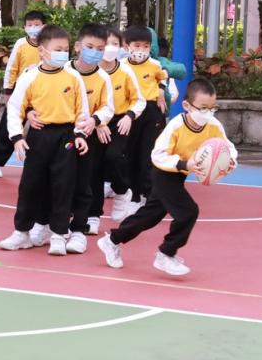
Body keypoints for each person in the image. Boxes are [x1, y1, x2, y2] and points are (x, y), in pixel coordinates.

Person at [98, 77, 238, 277]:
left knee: (150, 216)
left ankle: (111, 240)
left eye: (212, 108)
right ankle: (166, 253)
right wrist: (183, 164)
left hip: (178, 175)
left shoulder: (213, 125)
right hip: (163, 172)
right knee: (188, 212)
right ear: (187, 105)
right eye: (203, 108)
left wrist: (230, 161)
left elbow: (227, 147)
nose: (208, 113)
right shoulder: (176, 126)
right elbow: (157, 155)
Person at [0, 25, 90, 256]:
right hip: (39, 136)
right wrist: (17, 137)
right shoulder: (30, 77)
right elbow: (15, 108)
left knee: (63, 185)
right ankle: (22, 232)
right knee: (30, 185)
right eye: (57, 49)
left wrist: (80, 134)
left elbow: (82, 111)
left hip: (66, 136)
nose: (62, 53)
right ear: (42, 51)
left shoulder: (74, 77)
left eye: (65, 49)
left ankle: (58, 234)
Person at [65, 24, 116, 252]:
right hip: (63, 133)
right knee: (60, 179)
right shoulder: (63, 70)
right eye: (90, 46)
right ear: (78, 46)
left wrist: (96, 121)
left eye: (100, 48)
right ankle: (52, 223)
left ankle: (82, 224)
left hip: (88, 134)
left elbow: (108, 107)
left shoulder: (103, 77)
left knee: (87, 179)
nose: (95, 52)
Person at [0, 9, 48, 179]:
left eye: (37, 25)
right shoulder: (21, 44)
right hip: (20, 94)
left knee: (41, 131)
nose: (33, 28)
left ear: (44, 26)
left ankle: (38, 165)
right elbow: (12, 67)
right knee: (8, 128)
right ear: (24, 27)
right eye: (30, 25)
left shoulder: (48, 44)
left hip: (42, 95)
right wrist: (8, 91)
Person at [98, 27, 145, 225]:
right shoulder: (90, 69)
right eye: (106, 44)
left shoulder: (125, 71)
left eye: (114, 44)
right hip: (95, 122)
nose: (110, 48)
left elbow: (139, 100)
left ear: (121, 47)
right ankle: (91, 216)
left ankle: (122, 191)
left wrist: (129, 116)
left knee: (114, 156)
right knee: (93, 166)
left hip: (119, 121)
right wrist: (97, 122)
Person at [122, 25, 169, 213]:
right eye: (137, 45)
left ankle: (149, 194)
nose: (141, 50)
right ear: (127, 46)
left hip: (151, 111)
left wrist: (161, 90)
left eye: (146, 46)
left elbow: (163, 77)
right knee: (130, 153)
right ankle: (133, 195)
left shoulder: (154, 64)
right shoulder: (122, 66)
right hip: (130, 112)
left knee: (148, 153)